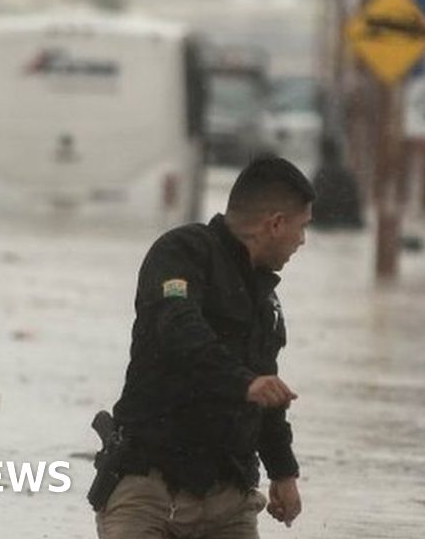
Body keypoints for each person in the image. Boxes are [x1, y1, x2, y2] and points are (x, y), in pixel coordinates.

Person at [91, 156, 315, 539]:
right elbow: (176, 326)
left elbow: (267, 390)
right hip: (149, 488)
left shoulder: (265, 300)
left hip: (228, 499)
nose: (302, 241)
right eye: (301, 227)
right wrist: (242, 381)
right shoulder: (182, 253)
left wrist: (283, 472)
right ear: (275, 223)